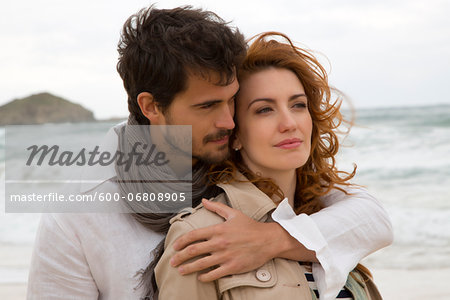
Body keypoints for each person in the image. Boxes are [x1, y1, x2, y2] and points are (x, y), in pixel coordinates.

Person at [27, 6, 392, 300]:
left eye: (232, 100)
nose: (229, 120)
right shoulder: (78, 215)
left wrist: (276, 239)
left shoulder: (242, 167)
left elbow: (371, 217)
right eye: (207, 106)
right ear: (151, 106)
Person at [155, 31, 385, 300]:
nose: (289, 123)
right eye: (264, 109)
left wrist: (274, 238)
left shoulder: (331, 218)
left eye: (298, 105)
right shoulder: (203, 235)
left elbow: (377, 218)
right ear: (236, 133)